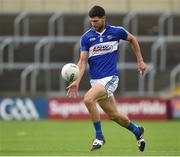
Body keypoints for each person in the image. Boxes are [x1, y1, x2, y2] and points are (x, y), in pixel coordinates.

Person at [67, 5, 146, 152]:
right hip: (96, 81)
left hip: (110, 78)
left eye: (96, 21)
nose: (93, 24)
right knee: (114, 115)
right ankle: (137, 131)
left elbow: (132, 39)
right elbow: (82, 61)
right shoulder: (86, 37)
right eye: (91, 21)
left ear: (103, 18)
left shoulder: (116, 31)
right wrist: (76, 81)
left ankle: (99, 136)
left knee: (88, 99)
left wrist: (140, 61)